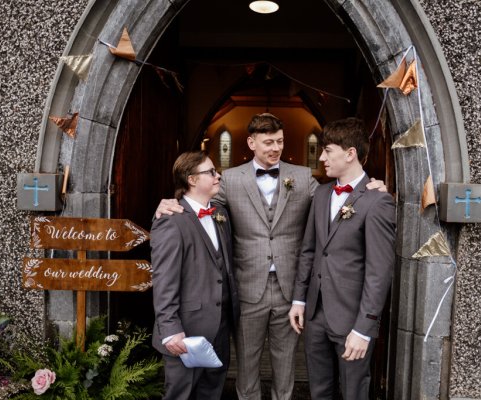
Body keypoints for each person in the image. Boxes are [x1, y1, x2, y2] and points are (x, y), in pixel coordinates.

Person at [155, 113, 386, 400]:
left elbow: (343, 198)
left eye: (280, 141)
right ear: (251, 143)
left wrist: (374, 186)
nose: (275, 148)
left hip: (291, 291)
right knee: (247, 367)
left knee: (285, 366)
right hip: (247, 287)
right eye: (268, 142)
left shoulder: (302, 176)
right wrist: (169, 203)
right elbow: (197, 204)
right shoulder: (228, 179)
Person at [288, 117, 396, 400]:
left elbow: (379, 271)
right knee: (319, 390)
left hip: (352, 319)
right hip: (315, 315)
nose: (321, 157)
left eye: (328, 150)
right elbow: (309, 250)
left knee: (353, 392)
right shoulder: (321, 194)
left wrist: (364, 327)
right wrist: (299, 300)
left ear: (350, 153)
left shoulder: (378, 201)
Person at [150, 151, 240, 400]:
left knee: (212, 393)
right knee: (181, 394)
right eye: (210, 172)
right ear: (191, 179)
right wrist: (170, 329)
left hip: (220, 327)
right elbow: (164, 280)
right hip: (185, 332)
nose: (217, 175)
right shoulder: (171, 220)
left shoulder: (220, 213)